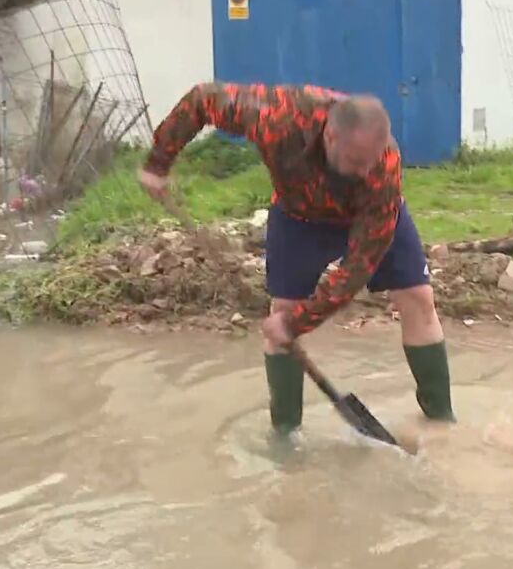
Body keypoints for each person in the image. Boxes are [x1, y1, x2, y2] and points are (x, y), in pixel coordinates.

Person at [138, 83, 455, 434]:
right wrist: (158, 163)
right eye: (356, 161)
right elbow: (201, 100)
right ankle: (286, 436)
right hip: (298, 218)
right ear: (331, 136)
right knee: (283, 310)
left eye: (370, 162)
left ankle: (441, 420)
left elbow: (356, 269)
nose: (365, 171)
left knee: (418, 298)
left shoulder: (382, 167)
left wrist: (297, 325)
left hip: (367, 215)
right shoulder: (277, 116)